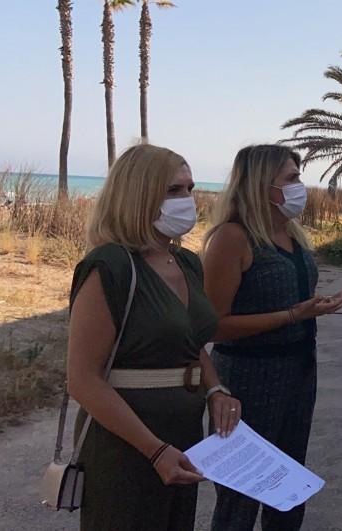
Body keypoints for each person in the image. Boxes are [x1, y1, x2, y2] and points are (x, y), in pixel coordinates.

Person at [67, 144, 241, 531]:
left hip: (183, 435)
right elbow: (82, 380)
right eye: (173, 190)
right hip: (126, 443)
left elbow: (190, 341)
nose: (188, 199)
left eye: (190, 188)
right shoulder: (109, 266)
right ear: (139, 195)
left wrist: (215, 390)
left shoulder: (188, 262)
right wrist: (154, 450)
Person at [202, 144, 342, 531]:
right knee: (239, 495)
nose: (299, 186)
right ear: (261, 184)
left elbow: (291, 300)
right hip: (247, 380)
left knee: (288, 487)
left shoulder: (292, 234)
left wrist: (314, 306)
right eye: (291, 178)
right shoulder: (232, 238)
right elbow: (212, 325)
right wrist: (291, 316)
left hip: (299, 373)